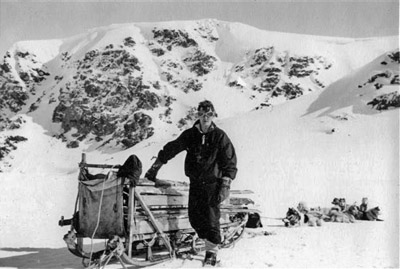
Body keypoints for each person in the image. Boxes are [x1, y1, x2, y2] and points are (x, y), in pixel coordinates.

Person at [144, 100, 237, 266]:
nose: (205, 117)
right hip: (195, 183)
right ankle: (204, 240)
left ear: (214, 115)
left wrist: (225, 184)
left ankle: (211, 251)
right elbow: (172, 148)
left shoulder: (219, 136)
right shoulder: (190, 135)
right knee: (194, 217)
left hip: (212, 184)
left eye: (209, 114)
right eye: (202, 114)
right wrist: (156, 167)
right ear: (198, 116)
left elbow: (229, 162)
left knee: (211, 218)